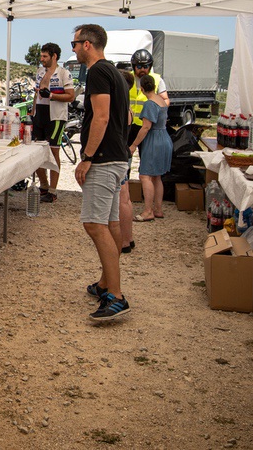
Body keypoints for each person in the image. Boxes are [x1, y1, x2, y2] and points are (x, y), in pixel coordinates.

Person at [71, 24, 131, 322]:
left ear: (87, 44)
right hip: (117, 157)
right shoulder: (115, 73)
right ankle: (106, 283)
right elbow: (125, 117)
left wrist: (87, 157)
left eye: (74, 43)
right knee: (109, 222)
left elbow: (102, 117)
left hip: (104, 160)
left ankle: (116, 296)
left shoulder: (96, 72)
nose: (73, 48)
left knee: (94, 224)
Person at [31, 42, 75, 202]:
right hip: (39, 114)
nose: (41, 59)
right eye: (41, 56)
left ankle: (53, 190)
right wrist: (32, 112)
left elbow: (71, 96)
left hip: (56, 116)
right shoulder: (40, 71)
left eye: (45, 56)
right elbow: (37, 94)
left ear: (54, 56)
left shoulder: (64, 73)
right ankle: (44, 185)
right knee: (36, 151)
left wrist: (51, 95)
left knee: (53, 151)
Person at [129, 74, 173, 222]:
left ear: (141, 89)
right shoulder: (161, 100)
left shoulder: (149, 104)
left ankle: (148, 211)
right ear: (154, 86)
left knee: (145, 175)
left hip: (154, 140)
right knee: (157, 176)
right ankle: (158, 209)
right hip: (164, 137)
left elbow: (146, 127)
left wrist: (134, 145)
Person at [128, 48, 169, 148]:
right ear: (134, 66)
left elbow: (165, 100)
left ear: (150, 66)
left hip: (146, 125)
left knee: (145, 153)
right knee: (125, 153)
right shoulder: (128, 78)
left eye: (146, 66)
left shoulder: (157, 80)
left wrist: (156, 114)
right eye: (139, 66)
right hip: (129, 125)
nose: (142, 69)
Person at [118, 70, 136, 254]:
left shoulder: (122, 108)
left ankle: (124, 240)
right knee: (126, 198)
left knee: (122, 198)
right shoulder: (127, 107)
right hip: (125, 155)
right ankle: (128, 238)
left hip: (120, 156)